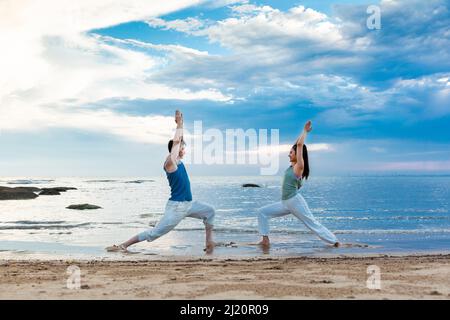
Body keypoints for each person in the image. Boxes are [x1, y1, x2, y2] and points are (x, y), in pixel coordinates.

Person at [106, 110, 216, 253]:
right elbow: (176, 142)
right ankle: (123, 245)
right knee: (155, 233)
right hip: (177, 208)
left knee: (210, 212)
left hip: (188, 204)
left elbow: (179, 140)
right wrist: (179, 125)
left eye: (183, 148)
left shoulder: (179, 162)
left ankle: (209, 242)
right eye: (182, 148)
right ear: (175, 150)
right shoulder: (170, 163)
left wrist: (181, 126)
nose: (184, 150)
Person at [257, 120, 340, 248]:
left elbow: (300, 145)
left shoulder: (299, 167)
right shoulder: (292, 165)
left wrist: (305, 131)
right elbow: (297, 145)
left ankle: (334, 241)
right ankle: (265, 240)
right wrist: (298, 142)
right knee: (262, 212)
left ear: (297, 155)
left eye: (291, 152)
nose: (288, 154)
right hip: (285, 203)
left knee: (311, 222)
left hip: (295, 201)